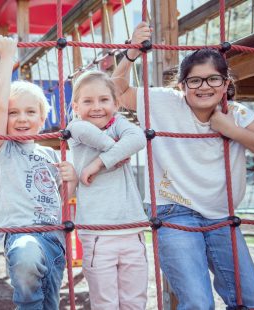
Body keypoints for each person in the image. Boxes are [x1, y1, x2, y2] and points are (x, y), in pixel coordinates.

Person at [112, 22, 254, 310]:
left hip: (222, 215)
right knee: (197, 302)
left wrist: (232, 131)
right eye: (194, 81)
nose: (204, 87)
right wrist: (132, 52)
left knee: (253, 300)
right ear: (182, 86)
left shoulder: (236, 113)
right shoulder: (164, 102)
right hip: (175, 210)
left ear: (226, 84)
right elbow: (117, 92)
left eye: (213, 80)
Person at [0, 35, 78, 310]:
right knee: (26, 262)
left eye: (30, 112)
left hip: (53, 240)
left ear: (42, 119)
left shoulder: (50, 154)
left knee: (50, 304)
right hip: (21, 234)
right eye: (14, 113)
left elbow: (64, 198)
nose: (22, 118)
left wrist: (70, 179)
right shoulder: (5, 150)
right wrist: (6, 59)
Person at [66, 70, 148, 309]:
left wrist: (100, 162)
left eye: (104, 100)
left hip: (132, 229)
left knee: (135, 300)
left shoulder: (120, 124)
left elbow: (138, 138)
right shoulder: (75, 127)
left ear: (116, 104)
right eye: (87, 101)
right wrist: (117, 150)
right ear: (76, 106)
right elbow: (95, 136)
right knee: (105, 302)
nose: (97, 107)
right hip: (97, 231)